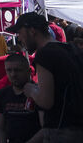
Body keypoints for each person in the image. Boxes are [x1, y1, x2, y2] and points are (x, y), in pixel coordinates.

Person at [7, 10, 83, 139]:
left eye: (19, 32)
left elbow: (46, 101)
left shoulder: (45, 54)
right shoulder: (70, 49)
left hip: (61, 130)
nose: (18, 38)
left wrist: (31, 90)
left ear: (32, 30)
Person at [0, 52, 39, 143]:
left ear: (29, 71)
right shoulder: (2, 94)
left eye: (18, 70)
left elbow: (46, 129)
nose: (13, 74)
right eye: (9, 70)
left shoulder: (39, 93)